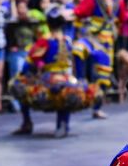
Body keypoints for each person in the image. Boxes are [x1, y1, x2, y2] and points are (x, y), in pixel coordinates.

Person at [10, 7, 94, 136]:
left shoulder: (45, 40)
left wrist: (24, 73)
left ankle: (27, 123)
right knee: (67, 93)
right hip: (68, 77)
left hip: (49, 77)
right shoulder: (68, 40)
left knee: (19, 85)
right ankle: (63, 124)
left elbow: (31, 60)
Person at [72, 0, 124, 119]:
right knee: (78, 49)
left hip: (107, 41)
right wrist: (69, 14)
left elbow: (122, 18)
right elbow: (79, 12)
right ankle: (81, 79)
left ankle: (97, 107)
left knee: (103, 76)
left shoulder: (118, 1)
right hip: (91, 37)